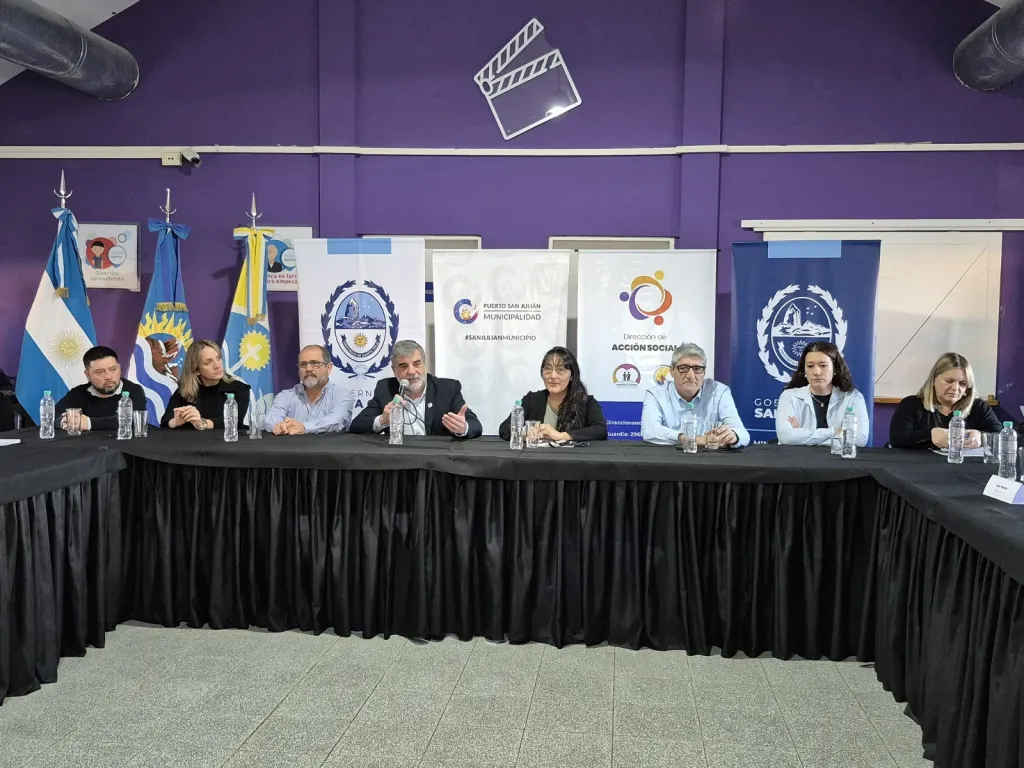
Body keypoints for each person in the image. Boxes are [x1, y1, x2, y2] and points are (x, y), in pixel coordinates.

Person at [350, 339, 482, 438]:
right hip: (399, 460)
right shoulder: (385, 389)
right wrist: (382, 420)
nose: (412, 372)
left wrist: (463, 427)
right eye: (403, 366)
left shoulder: (447, 389)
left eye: (417, 364)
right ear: (394, 371)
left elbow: (475, 425)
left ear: (425, 365)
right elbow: (357, 425)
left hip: (436, 461)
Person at [641, 342, 749, 447]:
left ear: (704, 372)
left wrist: (733, 436)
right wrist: (693, 439)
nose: (691, 376)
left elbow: (743, 434)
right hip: (669, 457)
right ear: (672, 371)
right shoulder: (656, 394)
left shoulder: (719, 392)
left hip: (710, 458)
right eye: (683, 368)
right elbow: (649, 430)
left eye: (697, 369)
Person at [888, 352, 1001, 450]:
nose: (955, 388)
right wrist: (930, 435)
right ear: (934, 379)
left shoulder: (978, 407)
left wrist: (981, 436)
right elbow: (897, 440)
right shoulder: (911, 404)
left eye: (962, 384)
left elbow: (1000, 436)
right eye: (949, 381)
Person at [498, 346, 607, 442]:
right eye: (548, 369)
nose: (553, 376)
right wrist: (525, 432)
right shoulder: (532, 399)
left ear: (572, 376)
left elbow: (601, 430)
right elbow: (504, 428)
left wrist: (561, 436)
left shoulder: (586, 402)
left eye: (560, 370)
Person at [775, 341, 868, 447]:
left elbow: (860, 439)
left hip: (837, 457)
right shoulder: (789, 396)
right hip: (798, 456)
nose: (817, 372)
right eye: (810, 366)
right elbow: (785, 436)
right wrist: (833, 432)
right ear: (804, 370)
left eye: (823, 365)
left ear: (835, 369)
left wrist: (802, 437)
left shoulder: (853, 397)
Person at [264, 344, 354, 435]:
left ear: (329, 368)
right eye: (303, 364)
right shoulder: (286, 396)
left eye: (315, 363)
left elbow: (337, 420)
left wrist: (303, 427)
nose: (308, 369)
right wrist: (279, 426)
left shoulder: (342, 396)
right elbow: (271, 419)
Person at [161, 340, 250, 430]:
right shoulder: (185, 390)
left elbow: (235, 421)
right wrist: (175, 422)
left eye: (218, 358)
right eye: (208, 362)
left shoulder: (239, 388)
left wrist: (202, 423)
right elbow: (166, 420)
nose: (217, 365)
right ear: (196, 370)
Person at [54, 346, 147, 432]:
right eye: (100, 372)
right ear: (88, 375)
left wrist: (89, 423)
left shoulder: (134, 390)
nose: (108, 377)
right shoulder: (79, 393)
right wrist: (66, 421)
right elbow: (53, 416)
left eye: (113, 369)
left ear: (119, 368)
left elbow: (135, 420)